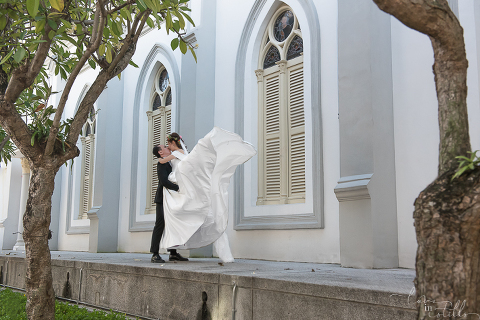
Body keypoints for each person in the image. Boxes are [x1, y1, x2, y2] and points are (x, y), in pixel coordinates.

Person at [157, 128, 256, 262]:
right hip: (178, 181)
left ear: (173, 143)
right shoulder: (181, 153)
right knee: (179, 215)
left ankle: (173, 247)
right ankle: (174, 249)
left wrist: (160, 158)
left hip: (178, 180)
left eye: (168, 144)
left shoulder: (177, 153)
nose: (167, 146)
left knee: (180, 213)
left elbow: (162, 161)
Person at [150, 144, 189, 263]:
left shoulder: (170, 161)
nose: (168, 147)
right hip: (162, 199)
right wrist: (179, 188)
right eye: (165, 147)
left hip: (172, 198)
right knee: (160, 224)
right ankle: (154, 254)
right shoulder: (161, 162)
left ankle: (173, 253)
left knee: (173, 224)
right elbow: (164, 181)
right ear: (161, 152)